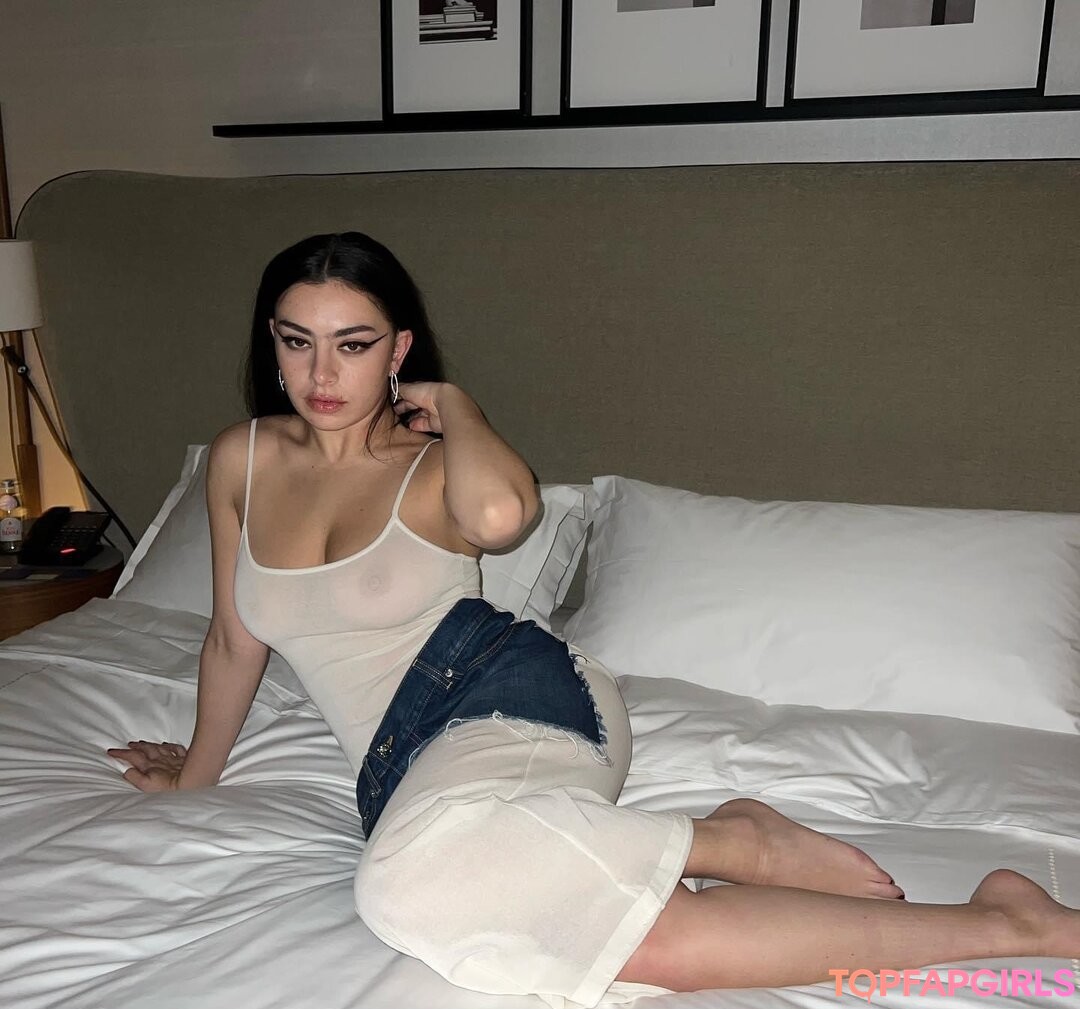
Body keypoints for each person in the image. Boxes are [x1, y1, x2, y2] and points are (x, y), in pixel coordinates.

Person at [107, 233, 1080, 1005]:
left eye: (354, 344)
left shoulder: (434, 464)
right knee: (642, 945)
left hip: (512, 701)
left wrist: (454, 404)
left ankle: (729, 847)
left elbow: (504, 516)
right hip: (403, 766)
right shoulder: (241, 459)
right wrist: (195, 774)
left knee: (401, 887)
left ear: (398, 350)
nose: (322, 371)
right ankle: (1002, 921)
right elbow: (234, 637)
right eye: (297, 339)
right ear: (271, 341)